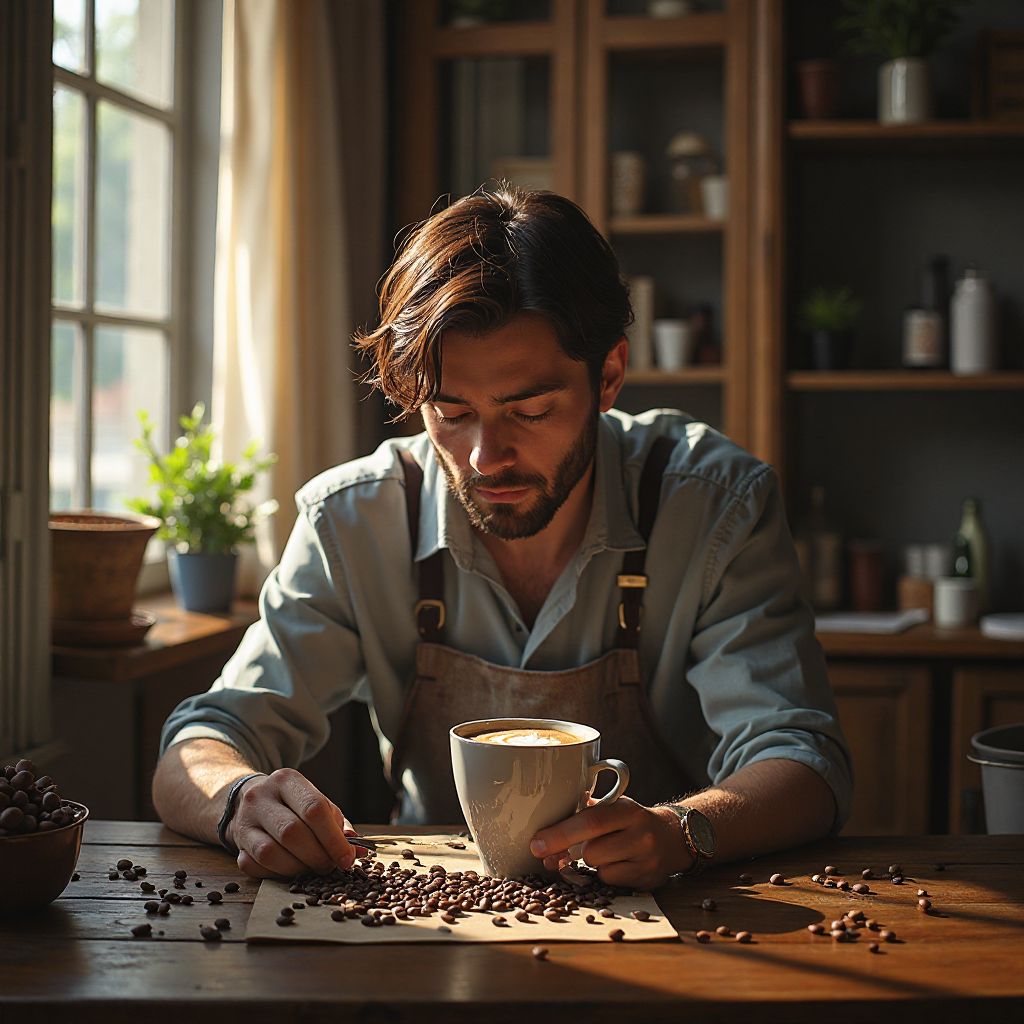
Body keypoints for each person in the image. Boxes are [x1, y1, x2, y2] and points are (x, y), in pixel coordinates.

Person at [153, 186, 852, 891]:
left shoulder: (714, 505)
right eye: (452, 413)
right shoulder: (354, 520)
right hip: (435, 907)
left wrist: (681, 832)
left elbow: (805, 763)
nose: (486, 458)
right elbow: (203, 741)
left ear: (609, 376)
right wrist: (240, 800)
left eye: (531, 411)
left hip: (678, 904)